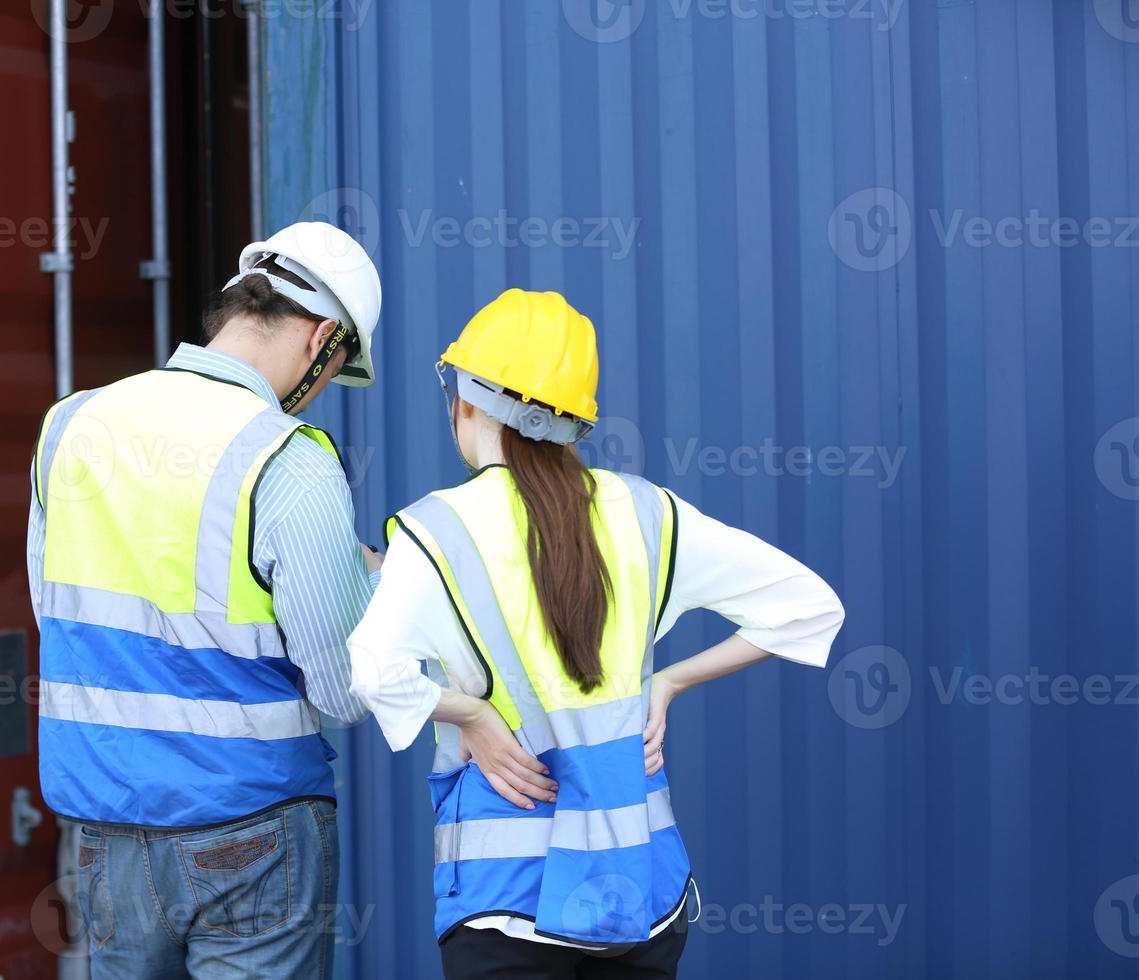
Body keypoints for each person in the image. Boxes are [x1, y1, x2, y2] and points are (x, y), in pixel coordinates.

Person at [348, 289, 845, 979]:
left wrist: (472, 715)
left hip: (507, 901)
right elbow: (808, 606)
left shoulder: (435, 530)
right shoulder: (646, 511)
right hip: (640, 890)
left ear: (468, 398)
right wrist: (667, 682)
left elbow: (374, 672)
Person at [27, 222, 384, 979]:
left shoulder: (71, 427)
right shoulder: (288, 460)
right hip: (249, 832)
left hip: (104, 828)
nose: (318, 395)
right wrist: (373, 583)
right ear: (322, 336)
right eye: (333, 370)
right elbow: (348, 691)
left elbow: (59, 615)